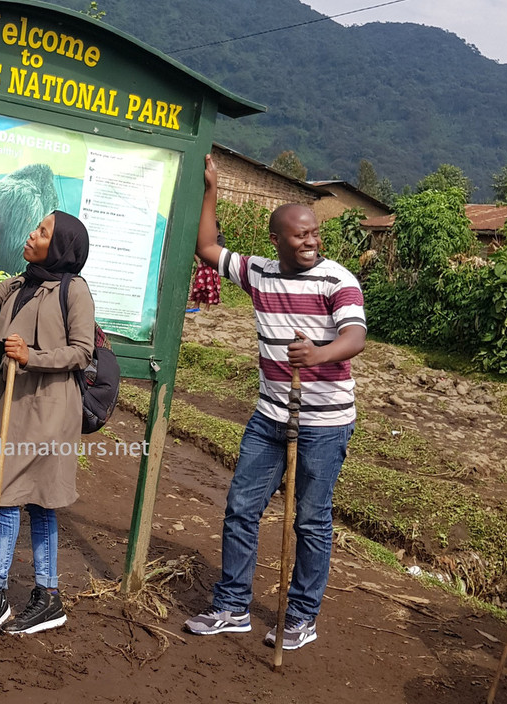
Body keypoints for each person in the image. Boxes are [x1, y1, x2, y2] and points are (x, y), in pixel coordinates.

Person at [182, 153, 366, 651]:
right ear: (276, 240)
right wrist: (211, 189)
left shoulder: (338, 280)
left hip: (325, 421)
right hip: (269, 416)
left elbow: (355, 337)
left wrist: (318, 353)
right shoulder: (258, 273)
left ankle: (301, 617)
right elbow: (206, 247)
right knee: (241, 507)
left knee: (310, 519)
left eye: (314, 234)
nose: (311, 241)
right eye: (300, 235)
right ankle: (232, 607)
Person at [0, 209, 95, 646]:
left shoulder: (74, 290)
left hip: (51, 409)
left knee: (10, 495)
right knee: (36, 500)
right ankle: (48, 596)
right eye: (36, 228)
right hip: (15, 402)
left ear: (61, 246)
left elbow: (82, 351)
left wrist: (33, 356)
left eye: (43, 232)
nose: (33, 235)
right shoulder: (20, 284)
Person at [188, 222, 224, 313]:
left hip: (213, 266)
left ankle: (207, 308)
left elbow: (216, 252)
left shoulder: (220, 239)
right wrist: (199, 261)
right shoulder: (204, 237)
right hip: (203, 266)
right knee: (199, 286)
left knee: (211, 287)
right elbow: (195, 248)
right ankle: (196, 305)